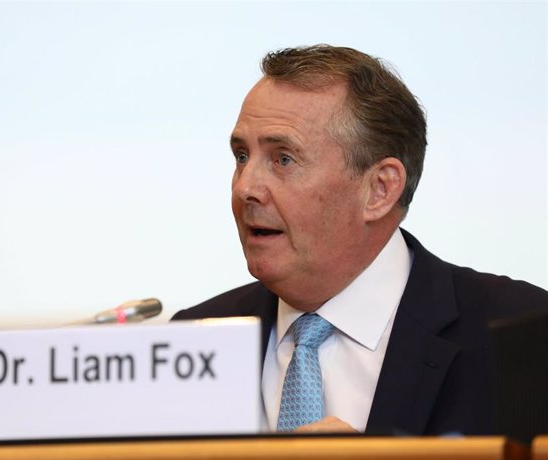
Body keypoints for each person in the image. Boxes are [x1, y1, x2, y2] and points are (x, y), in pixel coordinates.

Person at [171, 44, 548, 435]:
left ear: (380, 190)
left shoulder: (525, 338)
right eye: (241, 157)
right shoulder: (189, 341)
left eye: (283, 159)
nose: (245, 188)